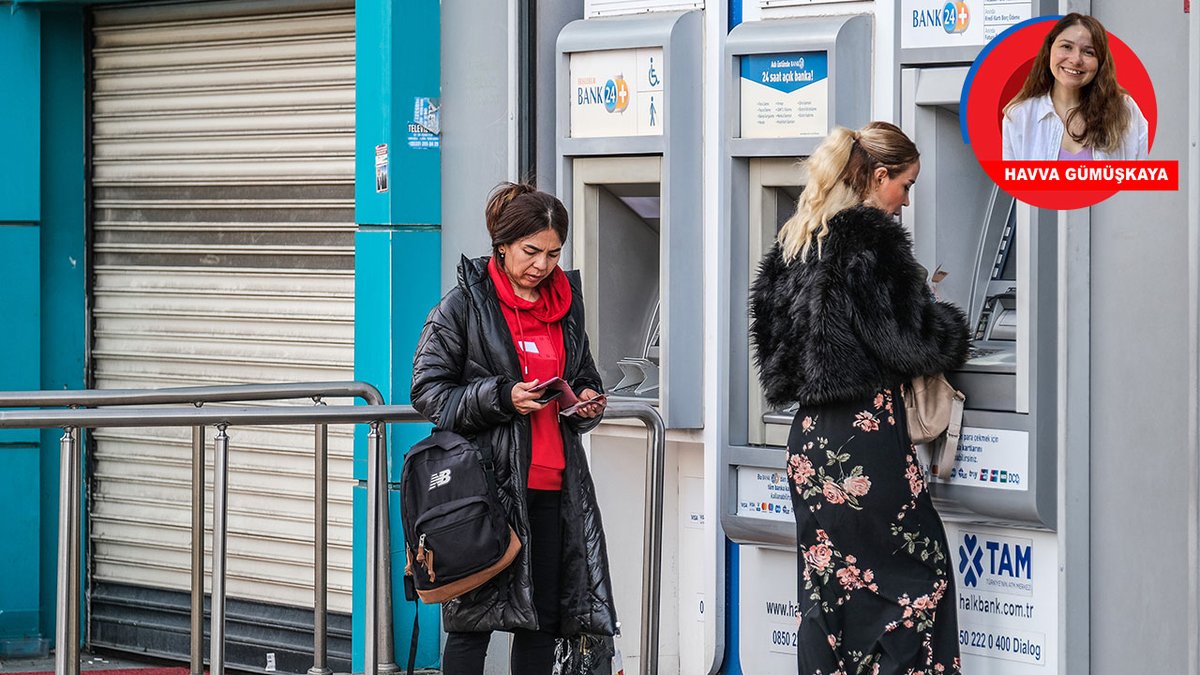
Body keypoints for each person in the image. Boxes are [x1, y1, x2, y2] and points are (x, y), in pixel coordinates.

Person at [749, 121, 970, 674]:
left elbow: (775, 345)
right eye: (906, 185)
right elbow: (914, 343)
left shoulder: (796, 238)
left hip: (811, 440)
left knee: (829, 589)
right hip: (864, 440)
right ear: (878, 175)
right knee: (918, 578)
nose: (905, 201)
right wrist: (947, 320)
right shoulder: (869, 239)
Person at [411, 182, 616, 674]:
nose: (542, 265)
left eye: (553, 253)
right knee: (471, 627)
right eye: (531, 251)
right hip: (487, 491)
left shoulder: (567, 306)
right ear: (501, 246)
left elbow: (583, 373)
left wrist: (587, 400)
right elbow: (428, 391)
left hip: (551, 488)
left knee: (540, 624)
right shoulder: (462, 306)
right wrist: (503, 397)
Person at [1002, 13, 1148, 160]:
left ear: (1100, 62)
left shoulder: (1126, 111)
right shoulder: (1019, 116)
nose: (1076, 60)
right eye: (1066, 46)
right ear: (1049, 50)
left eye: (1088, 52)